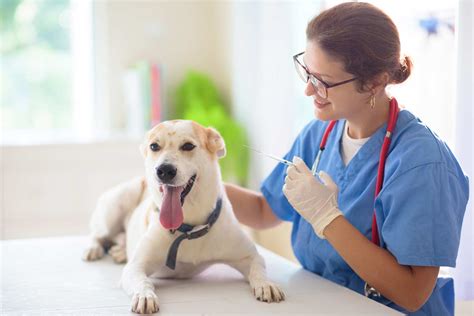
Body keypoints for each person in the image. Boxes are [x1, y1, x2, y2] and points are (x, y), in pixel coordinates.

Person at [225, 2, 469, 315]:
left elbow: (412, 293)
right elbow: (263, 210)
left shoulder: (423, 163)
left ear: (375, 82)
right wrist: (197, 184)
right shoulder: (319, 134)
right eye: (307, 73)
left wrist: (327, 218)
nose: (309, 92)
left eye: (323, 82)